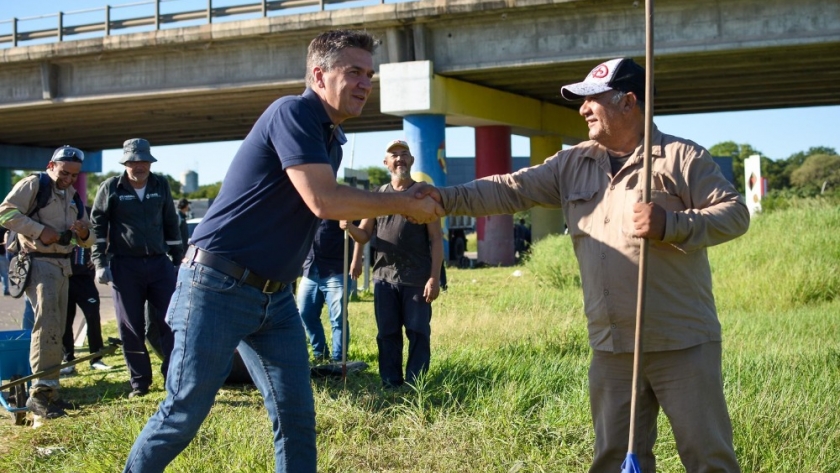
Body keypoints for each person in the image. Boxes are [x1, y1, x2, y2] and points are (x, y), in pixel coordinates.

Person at [122, 29, 442, 473]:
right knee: (182, 414)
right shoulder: (292, 112)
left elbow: (329, 205)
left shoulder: (331, 138)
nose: (366, 83)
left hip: (274, 298)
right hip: (216, 285)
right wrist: (402, 202)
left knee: (295, 417)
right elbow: (324, 201)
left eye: (369, 74)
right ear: (318, 75)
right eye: (354, 72)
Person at [415, 58, 749, 472]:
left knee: (707, 458)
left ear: (628, 102)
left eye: (593, 99)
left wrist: (672, 224)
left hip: (680, 342)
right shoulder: (571, 162)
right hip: (611, 346)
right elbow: (509, 189)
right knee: (613, 459)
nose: (583, 109)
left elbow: (735, 214)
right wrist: (443, 199)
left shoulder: (681, 157)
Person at [0, 145, 94, 423]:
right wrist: (40, 231)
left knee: (56, 327)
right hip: (39, 264)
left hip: (63, 266)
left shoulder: (72, 194)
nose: (68, 179)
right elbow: (4, 213)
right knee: (46, 327)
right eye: (64, 173)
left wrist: (83, 232)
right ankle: (39, 394)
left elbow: (88, 238)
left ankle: (50, 391)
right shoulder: (33, 184)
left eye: (74, 175)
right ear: (50, 165)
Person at [344, 139, 443, 389]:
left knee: (418, 332)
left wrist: (434, 277)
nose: (399, 158)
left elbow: (436, 238)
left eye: (404, 154)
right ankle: (390, 382)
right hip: (384, 278)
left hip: (417, 279)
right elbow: (365, 235)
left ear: (411, 160)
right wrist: (350, 229)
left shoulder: (424, 192)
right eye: (394, 155)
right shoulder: (377, 196)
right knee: (387, 333)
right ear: (386, 163)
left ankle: (414, 383)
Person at [91, 138, 183, 399]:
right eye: (133, 161)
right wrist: (100, 263)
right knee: (131, 326)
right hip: (124, 266)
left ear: (149, 162)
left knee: (171, 321)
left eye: (143, 161)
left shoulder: (160, 184)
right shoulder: (111, 187)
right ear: (125, 163)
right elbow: (98, 228)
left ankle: (173, 378)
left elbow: (171, 223)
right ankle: (139, 383)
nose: (138, 166)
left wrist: (178, 260)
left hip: (159, 263)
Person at [296, 219, 355, 363]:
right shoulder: (309, 205)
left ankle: (339, 359)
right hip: (310, 268)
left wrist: (356, 260)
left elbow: (358, 231)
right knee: (305, 313)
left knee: (338, 319)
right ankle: (320, 354)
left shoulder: (341, 201)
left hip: (336, 269)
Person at [60, 240, 112, 375]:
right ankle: (68, 360)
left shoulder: (85, 219)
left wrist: (100, 258)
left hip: (85, 280)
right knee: (66, 321)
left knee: (93, 317)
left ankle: (96, 359)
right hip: (65, 278)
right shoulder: (59, 221)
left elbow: (103, 237)